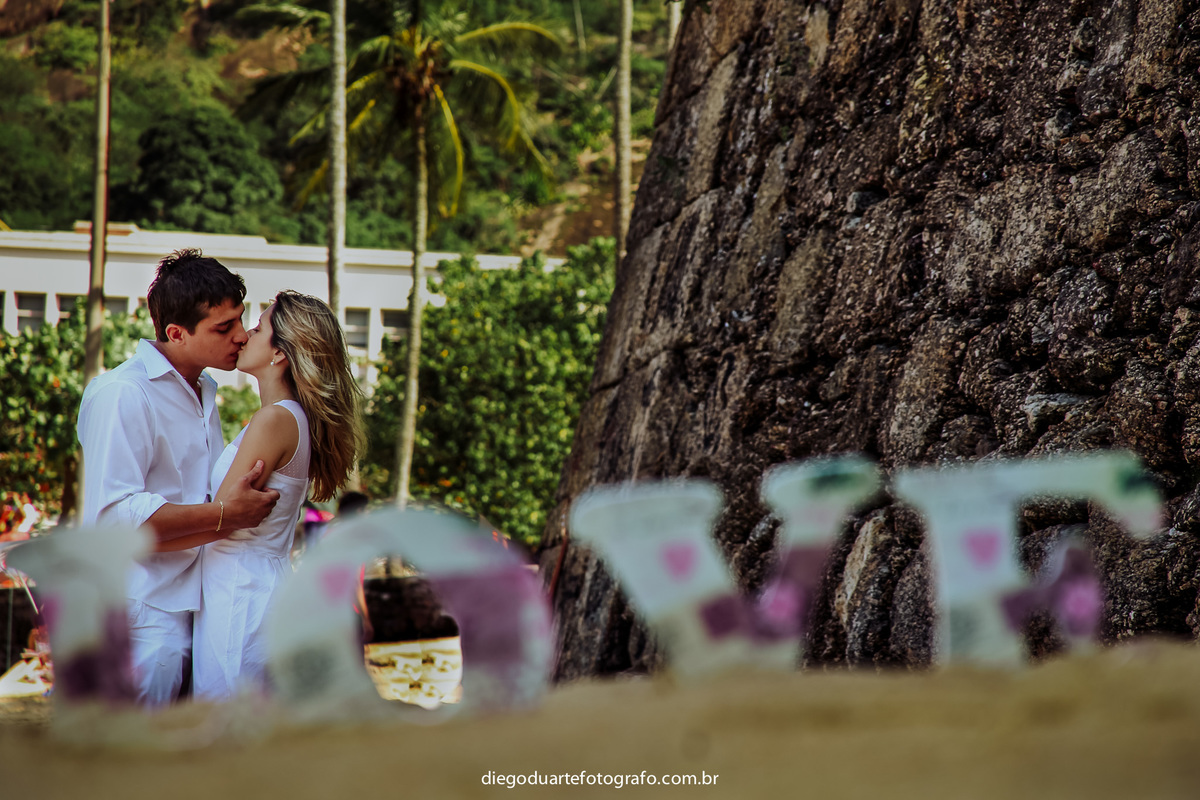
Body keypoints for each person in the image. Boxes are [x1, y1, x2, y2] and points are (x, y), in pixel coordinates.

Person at [77, 249, 280, 708]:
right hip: (141, 615)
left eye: (241, 320)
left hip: (197, 607)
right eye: (222, 328)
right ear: (175, 333)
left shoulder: (204, 389)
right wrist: (228, 515)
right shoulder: (122, 394)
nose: (241, 336)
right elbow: (117, 521)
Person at [163, 291, 365, 701]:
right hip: (247, 585)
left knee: (231, 729)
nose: (243, 336)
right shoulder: (288, 418)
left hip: (241, 593)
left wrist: (145, 539)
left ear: (280, 355)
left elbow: (216, 519)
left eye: (256, 329)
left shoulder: (274, 420)